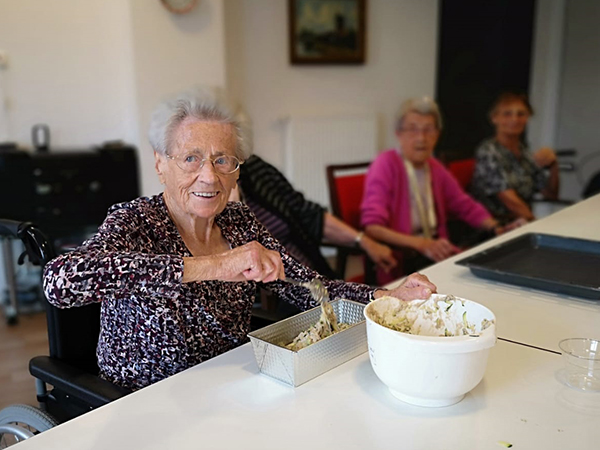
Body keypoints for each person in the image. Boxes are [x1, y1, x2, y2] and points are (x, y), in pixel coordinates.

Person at [42, 88, 436, 391]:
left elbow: (308, 288)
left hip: (230, 390)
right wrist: (214, 266)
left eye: (223, 160)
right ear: (161, 164)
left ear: (237, 171)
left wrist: (392, 298)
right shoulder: (134, 221)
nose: (209, 177)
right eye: (191, 158)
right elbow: (60, 281)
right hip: (144, 401)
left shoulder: (238, 221)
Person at [361, 97, 505, 285]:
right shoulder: (385, 164)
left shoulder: (435, 167)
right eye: (413, 129)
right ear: (399, 134)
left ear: (437, 135)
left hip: (435, 256)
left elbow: (464, 205)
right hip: (401, 263)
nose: (421, 138)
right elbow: (373, 228)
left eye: (428, 129)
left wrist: (496, 227)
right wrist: (421, 244)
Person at [231, 154, 397, 280]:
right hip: (276, 297)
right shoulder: (212, 202)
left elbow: (308, 214)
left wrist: (364, 241)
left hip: (312, 277)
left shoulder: (256, 170)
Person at [470, 92, 560, 223]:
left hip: (522, 222)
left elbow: (551, 194)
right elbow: (510, 202)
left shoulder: (525, 151)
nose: (514, 119)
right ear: (494, 118)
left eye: (521, 114)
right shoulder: (488, 151)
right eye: (507, 114)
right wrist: (535, 224)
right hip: (495, 225)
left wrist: (553, 166)